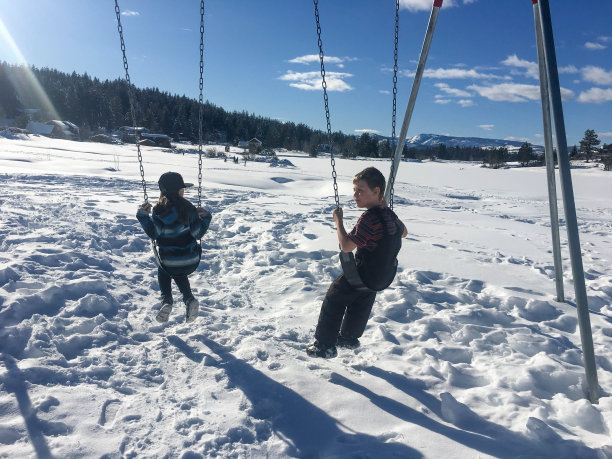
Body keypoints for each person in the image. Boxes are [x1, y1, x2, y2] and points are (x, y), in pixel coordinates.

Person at [306, 167, 407, 358]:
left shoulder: (369, 219)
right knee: (362, 298)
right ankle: (349, 338)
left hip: (364, 273)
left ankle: (324, 346)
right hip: (382, 277)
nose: (355, 195)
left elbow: (346, 246)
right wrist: (386, 209)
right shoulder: (390, 216)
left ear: (376, 191)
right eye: (354, 190)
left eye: (360, 190)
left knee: (335, 296)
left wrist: (339, 221)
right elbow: (404, 232)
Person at [137, 172, 212, 323]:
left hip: (170, 263)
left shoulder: (159, 210)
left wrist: (143, 216)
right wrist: (206, 217)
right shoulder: (189, 209)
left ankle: (167, 301)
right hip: (192, 261)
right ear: (179, 190)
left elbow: (154, 233)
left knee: (165, 268)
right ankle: (189, 299)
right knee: (178, 268)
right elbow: (198, 234)